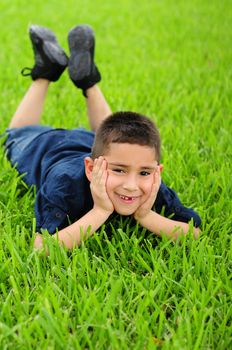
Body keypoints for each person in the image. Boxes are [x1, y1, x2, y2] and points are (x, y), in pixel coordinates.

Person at [4, 24, 201, 250]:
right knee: (16, 133)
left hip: (89, 142)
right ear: (90, 169)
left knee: (115, 137)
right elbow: (42, 248)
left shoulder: (150, 183)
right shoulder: (65, 183)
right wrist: (100, 211)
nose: (131, 186)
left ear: (157, 171)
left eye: (144, 172)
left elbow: (193, 233)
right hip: (42, 146)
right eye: (119, 170)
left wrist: (146, 216)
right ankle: (46, 73)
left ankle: (87, 79)